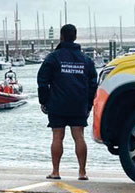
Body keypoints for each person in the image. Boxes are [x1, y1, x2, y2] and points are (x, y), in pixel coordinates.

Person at [37, 24, 98, 181]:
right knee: (79, 136)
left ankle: (56, 171)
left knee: (57, 136)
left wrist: (44, 101)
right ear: (75, 37)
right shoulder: (86, 60)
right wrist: (89, 104)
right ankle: (82, 172)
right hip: (78, 104)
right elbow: (93, 84)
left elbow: (42, 80)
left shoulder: (53, 58)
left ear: (61, 37)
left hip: (57, 103)